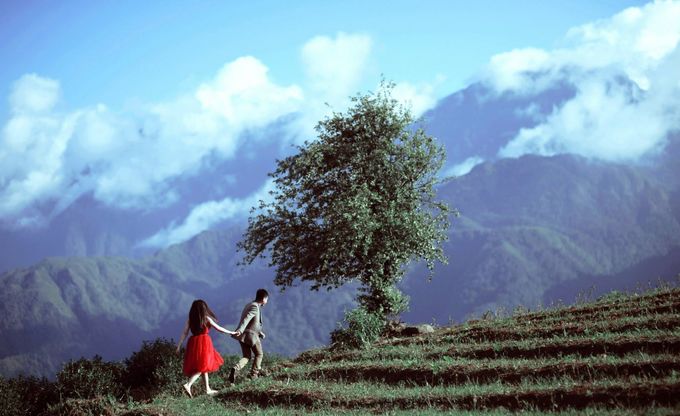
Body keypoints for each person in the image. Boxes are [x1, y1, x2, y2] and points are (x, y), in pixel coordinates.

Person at [176, 299, 240, 397]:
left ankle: (207, 389)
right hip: (204, 343)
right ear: (203, 309)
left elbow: (185, 333)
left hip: (193, 343)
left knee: (203, 365)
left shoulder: (191, 319)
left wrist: (179, 345)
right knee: (202, 367)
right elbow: (219, 328)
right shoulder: (206, 319)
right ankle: (188, 385)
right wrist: (231, 332)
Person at [229, 288, 268, 382]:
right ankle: (254, 374)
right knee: (259, 354)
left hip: (243, 336)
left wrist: (260, 333)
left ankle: (236, 368)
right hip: (250, 335)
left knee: (247, 356)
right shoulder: (255, 306)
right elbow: (247, 318)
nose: (267, 301)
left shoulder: (250, 304)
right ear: (264, 299)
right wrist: (240, 329)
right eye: (267, 299)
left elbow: (253, 323)